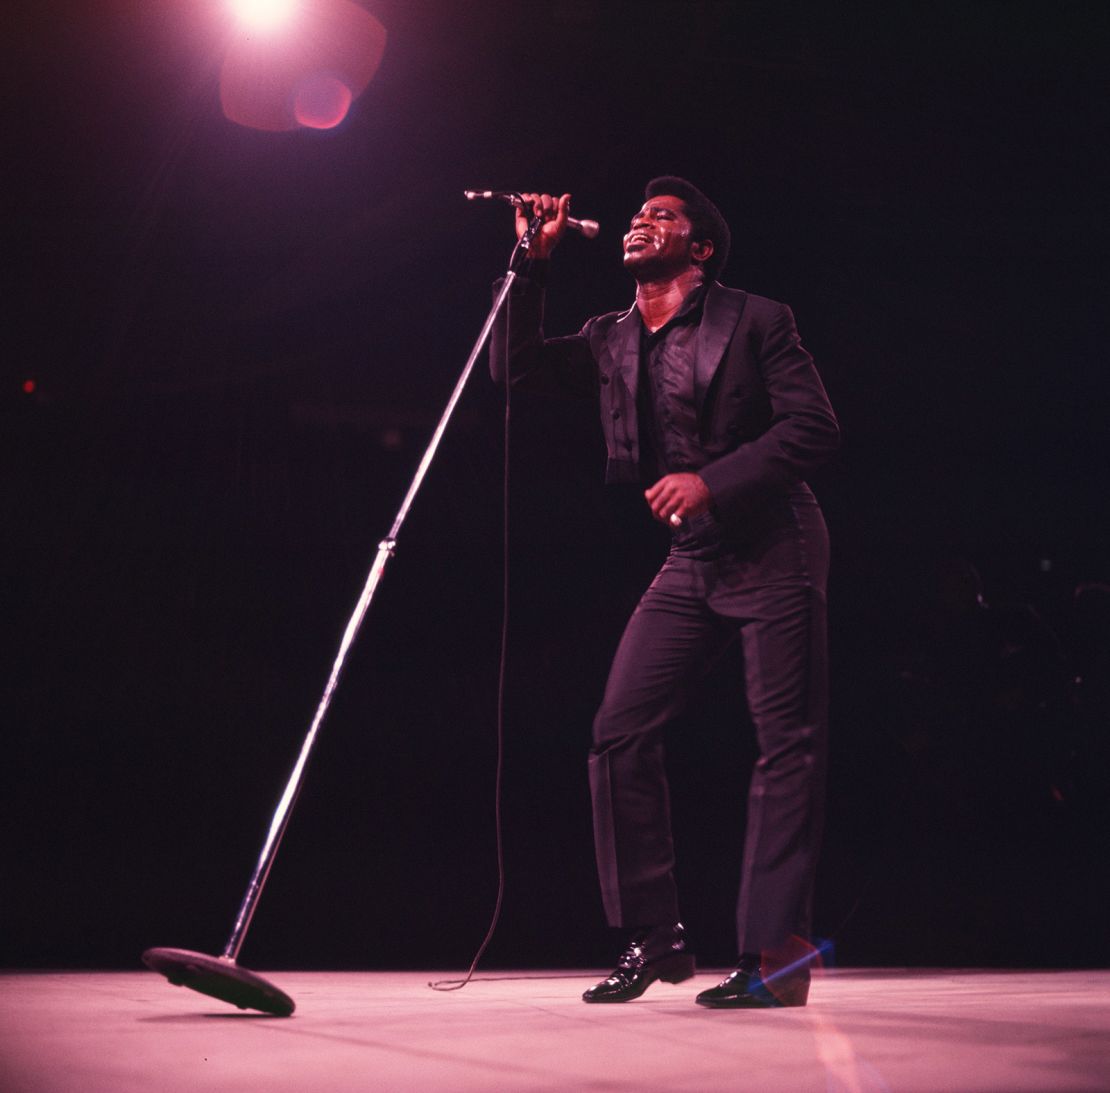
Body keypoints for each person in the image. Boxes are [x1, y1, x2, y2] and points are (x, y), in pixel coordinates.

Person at [490, 178, 839, 1008]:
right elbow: (514, 368)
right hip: (696, 556)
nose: (642, 221)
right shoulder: (611, 336)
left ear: (702, 247)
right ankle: (656, 937)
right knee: (618, 731)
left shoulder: (757, 319)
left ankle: (774, 956)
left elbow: (814, 427)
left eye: (664, 216)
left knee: (784, 742)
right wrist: (530, 265)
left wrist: (711, 479)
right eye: (639, 214)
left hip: (775, 540)